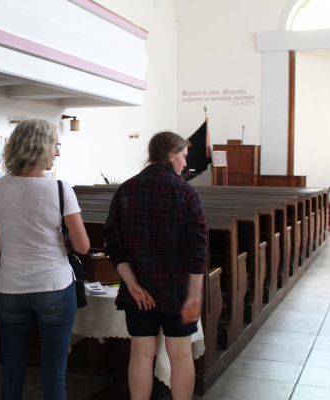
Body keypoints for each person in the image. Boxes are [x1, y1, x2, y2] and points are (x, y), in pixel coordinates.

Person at [0, 119, 90, 400]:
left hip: (9, 287)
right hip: (54, 284)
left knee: (12, 368)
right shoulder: (60, 189)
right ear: (40, 147)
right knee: (54, 371)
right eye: (55, 145)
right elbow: (82, 245)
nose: (58, 152)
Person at [104, 131, 207, 400]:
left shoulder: (125, 190)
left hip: (139, 291)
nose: (185, 163)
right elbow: (198, 250)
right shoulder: (186, 192)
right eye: (184, 156)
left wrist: (132, 284)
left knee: (140, 353)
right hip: (177, 291)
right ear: (171, 155)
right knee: (180, 355)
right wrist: (194, 295)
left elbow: (112, 243)